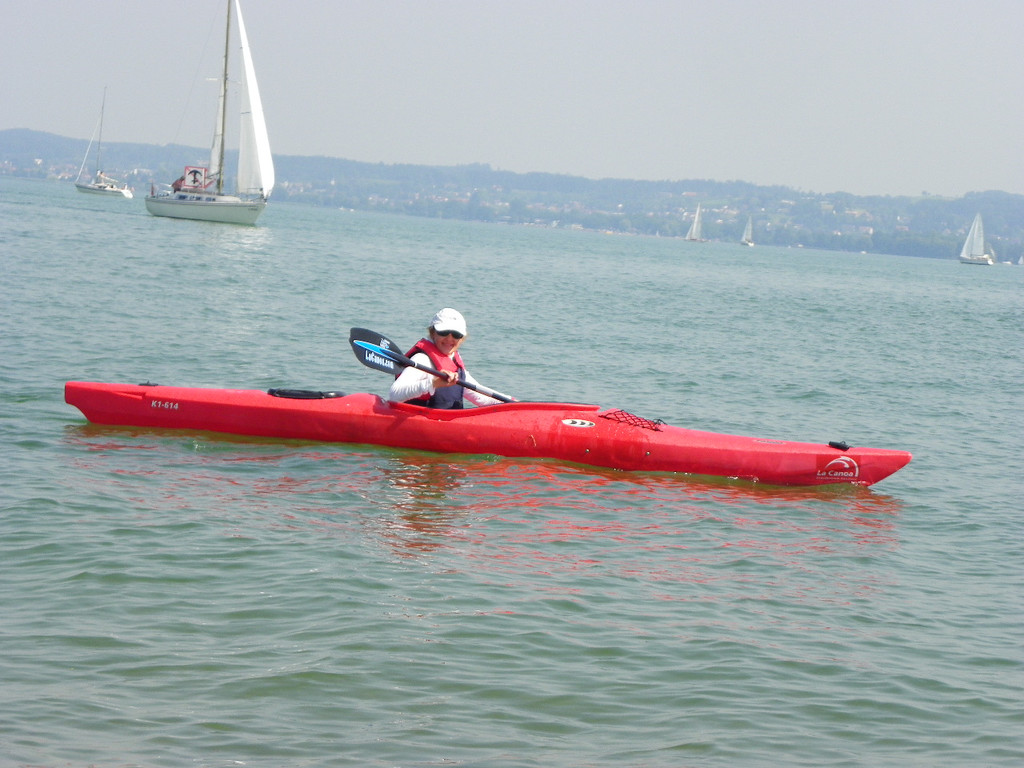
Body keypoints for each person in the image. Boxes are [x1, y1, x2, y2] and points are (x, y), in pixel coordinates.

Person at [388, 308, 504, 409]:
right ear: (433, 333)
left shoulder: (454, 360)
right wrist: (433, 383)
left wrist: (512, 403)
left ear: (462, 339)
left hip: (445, 423)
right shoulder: (422, 360)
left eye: (456, 335)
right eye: (444, 332)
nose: (449, 339)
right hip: (419, 423)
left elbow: (480, 397)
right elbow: (394, 395)